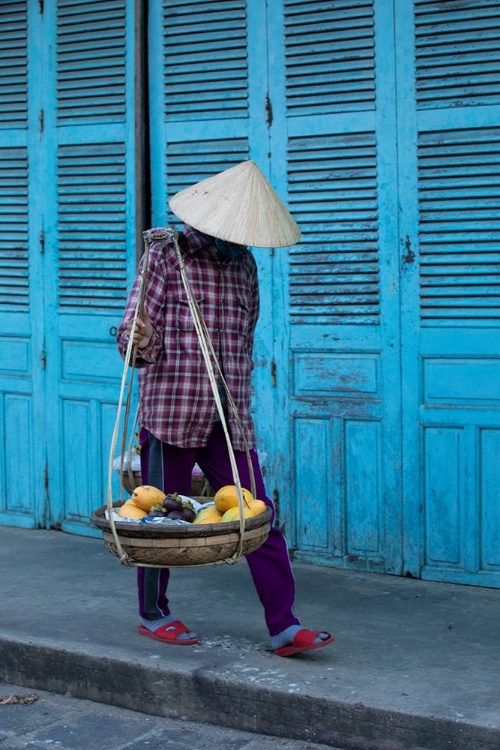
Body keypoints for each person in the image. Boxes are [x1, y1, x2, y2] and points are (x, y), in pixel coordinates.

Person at [117, 160, 334, 657]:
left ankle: (284, 626)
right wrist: (138, 340)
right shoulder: (165, 257)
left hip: (228, 416)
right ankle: (154, 613)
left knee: (256, 517)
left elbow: (244, 334)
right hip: (171, 412)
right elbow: (134, 333)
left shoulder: (243, 266)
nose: (240, 240)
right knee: (157, 521)